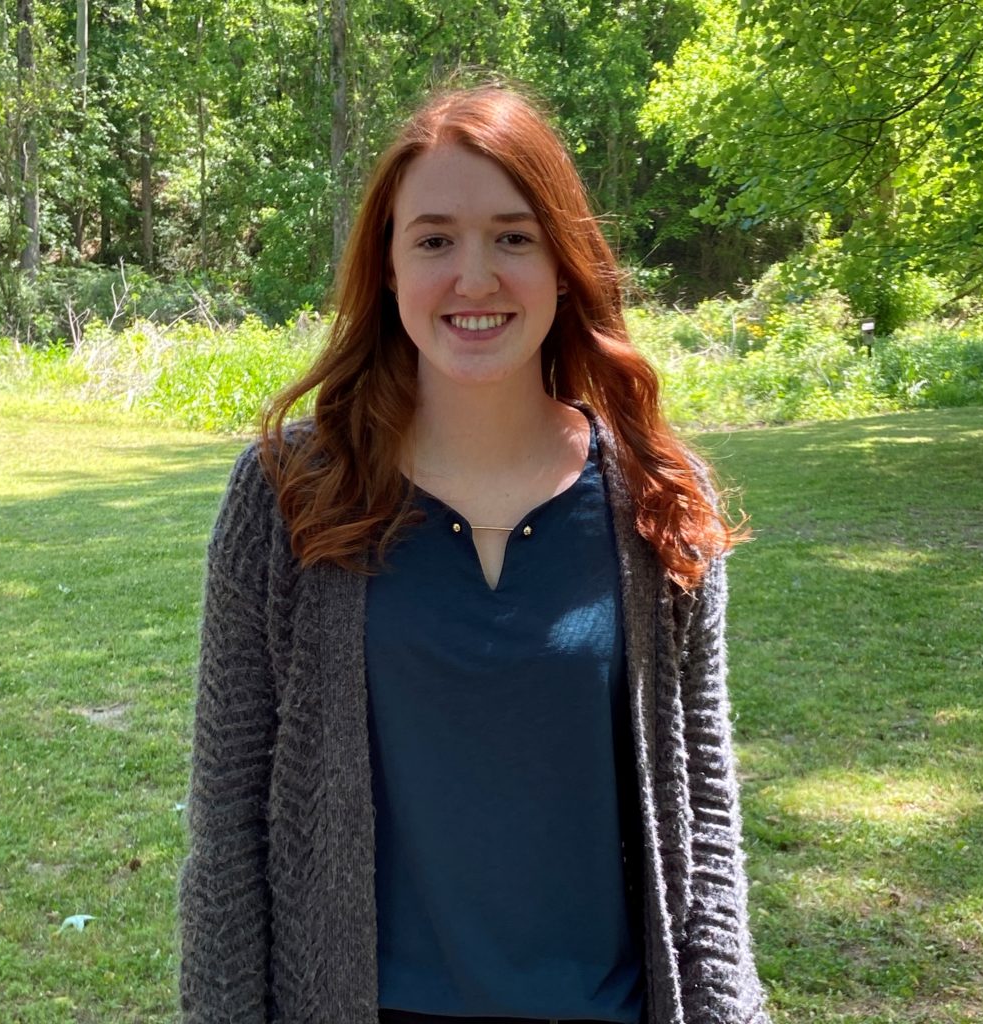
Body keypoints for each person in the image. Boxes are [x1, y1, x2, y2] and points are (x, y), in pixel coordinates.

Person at [178, 84, 770, 1024]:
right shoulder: (290, 499)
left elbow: (704, 824)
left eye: (513, 236)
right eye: (434, 239)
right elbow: (227, 827)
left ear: (565, 264)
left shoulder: (660, 499)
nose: (475, 277)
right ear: (386, 266)